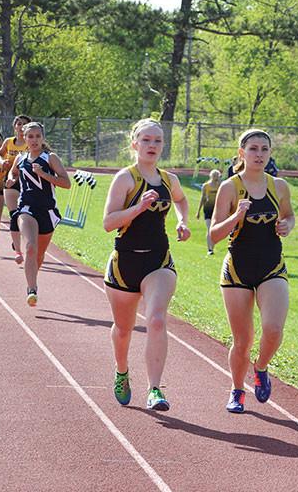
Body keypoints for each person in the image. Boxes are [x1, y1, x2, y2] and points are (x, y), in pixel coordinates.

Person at [102, 118, 190, 411]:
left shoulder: (169, 180)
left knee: (155, 320)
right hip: (125, 263)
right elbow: (108, 223)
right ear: (134, 144)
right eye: (147, 140)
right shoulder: (125, 179)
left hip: (158, 261)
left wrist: (182, 221)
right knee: (124, 329)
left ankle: (154, 389)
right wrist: (139, 207)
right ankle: (122, 370)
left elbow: (180, 200)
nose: (152, 146)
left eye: (158, 141)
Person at [210, 129, 295, 414]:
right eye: (254, 149)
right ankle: (236, 390)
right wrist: (237, 216)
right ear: (241, 152)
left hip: (271, 266)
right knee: (242, 340)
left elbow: (289, 215)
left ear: (270, 154)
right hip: (237, 270)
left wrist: (287, 226)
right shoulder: (230, 187)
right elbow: (214, 235)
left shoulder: (279, 186)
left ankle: (261, 367)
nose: (259, 154)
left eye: (264, 149)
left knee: (273, 329)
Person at [6, 122, 71, 306]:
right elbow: (13, 174)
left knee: (39, 254)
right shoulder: (20, 158)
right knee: (30, 247)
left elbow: (66, 183)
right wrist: (11, 180)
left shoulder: (50, 158)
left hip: (47, 210)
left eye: (37, 136)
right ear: (24, 139)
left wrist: (44, 175)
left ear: (42, 139)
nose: (34, 140)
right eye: (30, 136)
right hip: (26, 207)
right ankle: (31, 289)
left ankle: (33, 277)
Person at [0, 115, 32, 264]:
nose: (20, 126)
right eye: (18, 124)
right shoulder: (9, 142)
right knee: (15, 215)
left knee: (25, 215)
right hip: (11, 181)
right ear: (14, 126)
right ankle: (18, 251)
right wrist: (3, 162)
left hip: (28, 183)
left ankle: (19, 236)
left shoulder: (31, 143)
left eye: (24, 124)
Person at [196, 169, 222, 255]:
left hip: (217, 209)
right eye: (214, 176)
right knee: (209, 228)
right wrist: (198, 211)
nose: (215, 177)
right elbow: (202, 198)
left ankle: (212, 247)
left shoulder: (220, 185)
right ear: (211, 176)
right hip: (208, 208)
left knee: (214, 229)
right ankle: (209, 249)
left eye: (217, 176)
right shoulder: (206, 186)